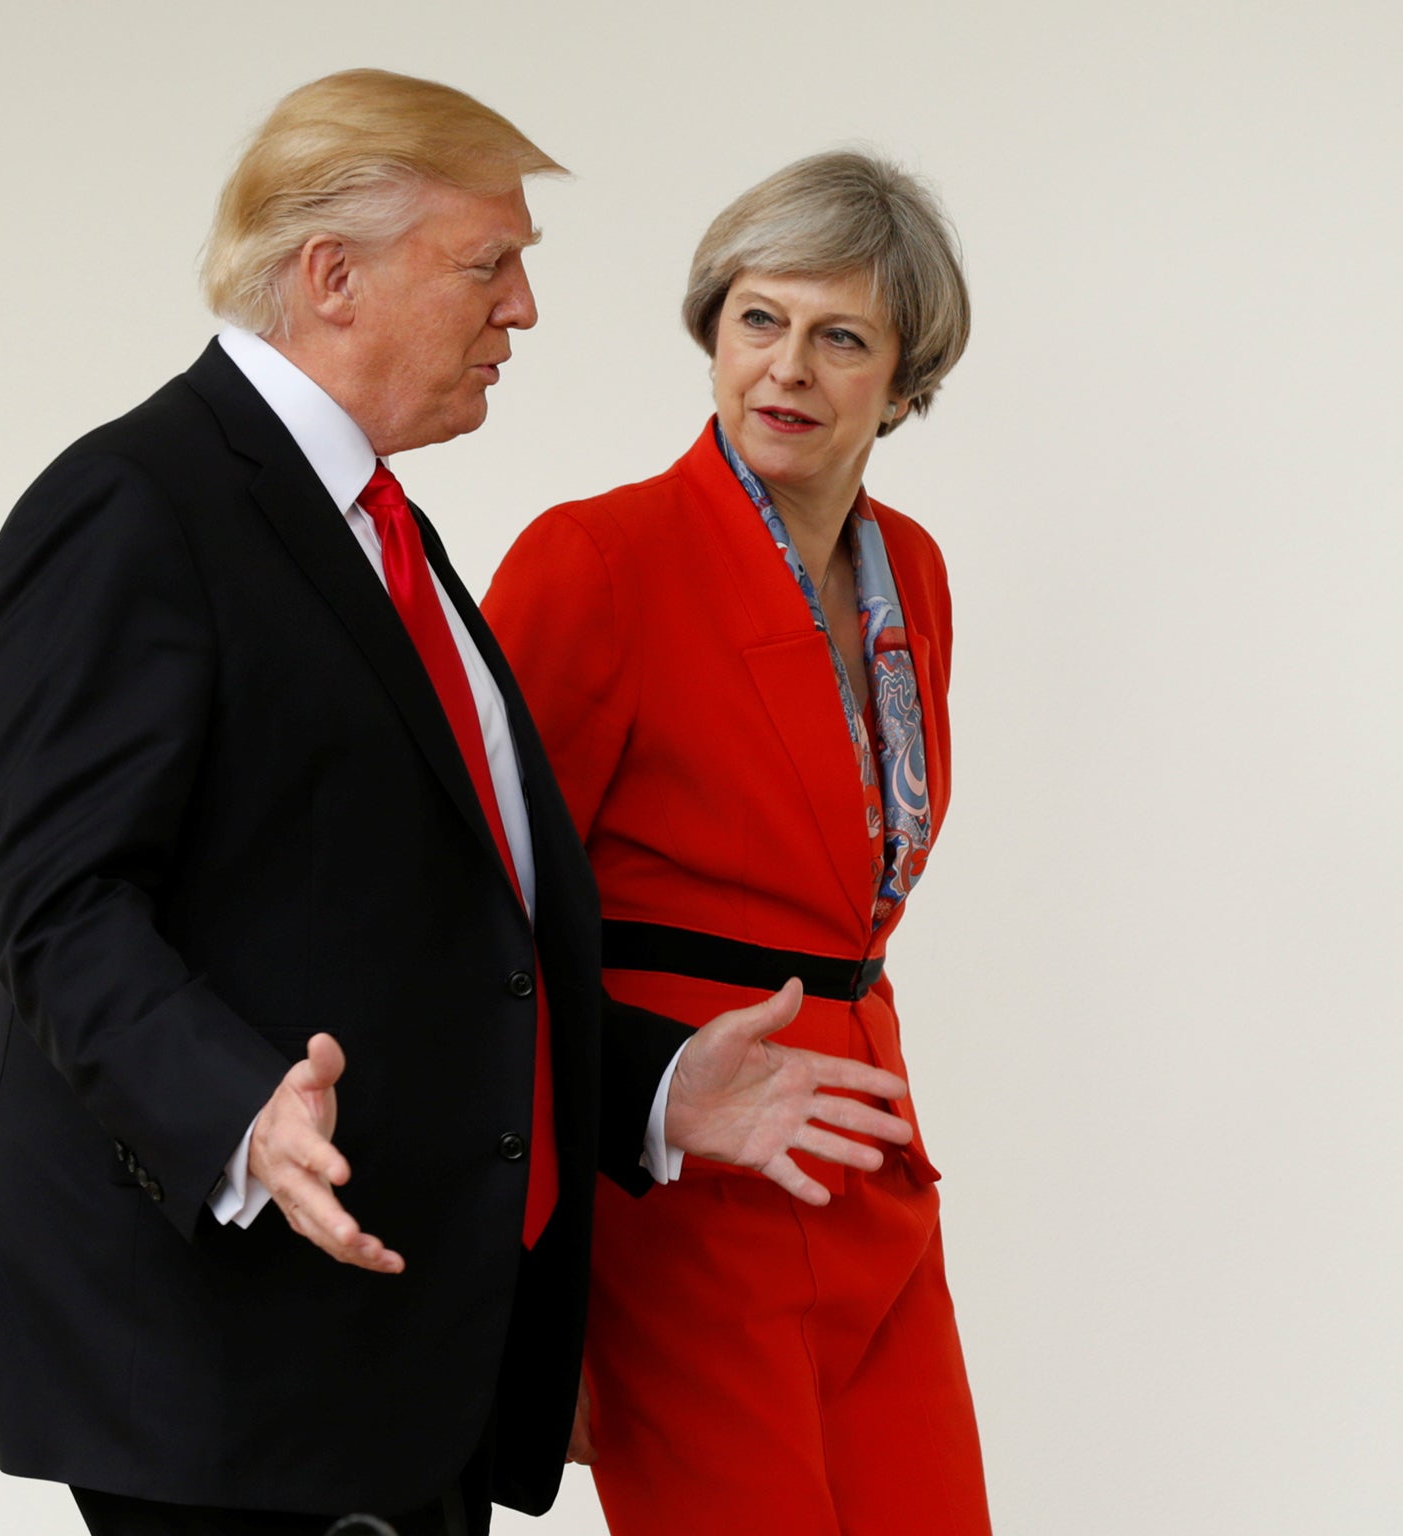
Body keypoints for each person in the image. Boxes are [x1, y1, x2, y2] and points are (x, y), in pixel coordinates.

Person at [0, 75, 911, 1536]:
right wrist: (237, 1110)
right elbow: (62, 907)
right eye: (488, 264)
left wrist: (647, 1086)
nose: (521, 311)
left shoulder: (382, 528)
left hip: (392, 1342)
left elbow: (455, 933)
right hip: (224, 1349)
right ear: (333, 279)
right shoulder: (136, 502)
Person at [482, 150, 990, 1534]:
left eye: (841, 338)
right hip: (682, 1193)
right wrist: (538, 1298)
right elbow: (484, 925)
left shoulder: (918, 575)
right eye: (759, 319)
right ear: (712, 326)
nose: (788, 369)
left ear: (905, 375)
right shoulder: (596, 560)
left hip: (869, 1171)